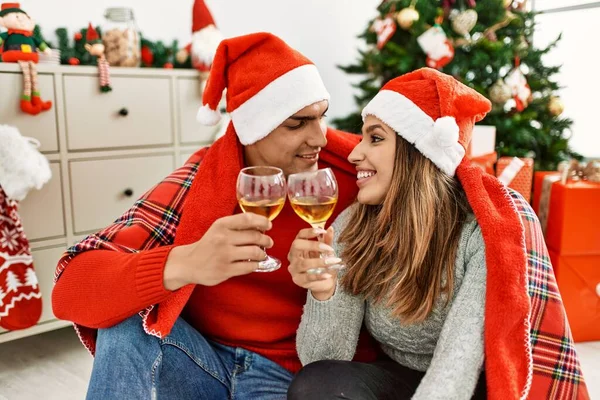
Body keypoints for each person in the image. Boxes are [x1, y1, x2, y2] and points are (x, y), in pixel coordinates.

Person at [52, 32, 377, 400]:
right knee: (124, 322)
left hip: (291, 376)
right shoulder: (203, 180)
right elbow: (70, 289)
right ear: (255, 128)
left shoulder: (352, 172)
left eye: (321, 117)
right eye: (296, 124)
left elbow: (437, 175)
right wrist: (185, 262)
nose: (319, 137)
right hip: (201, 361)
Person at [287, 68, 590, 399]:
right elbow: (323, 358)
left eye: (375, 138)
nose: (355, 153)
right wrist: (325, 292)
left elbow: (457, 366)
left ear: (418, 151)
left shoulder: (479, 233)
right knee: (316, 384)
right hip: (399, 376)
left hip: (470, 383)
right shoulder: (353, 224)